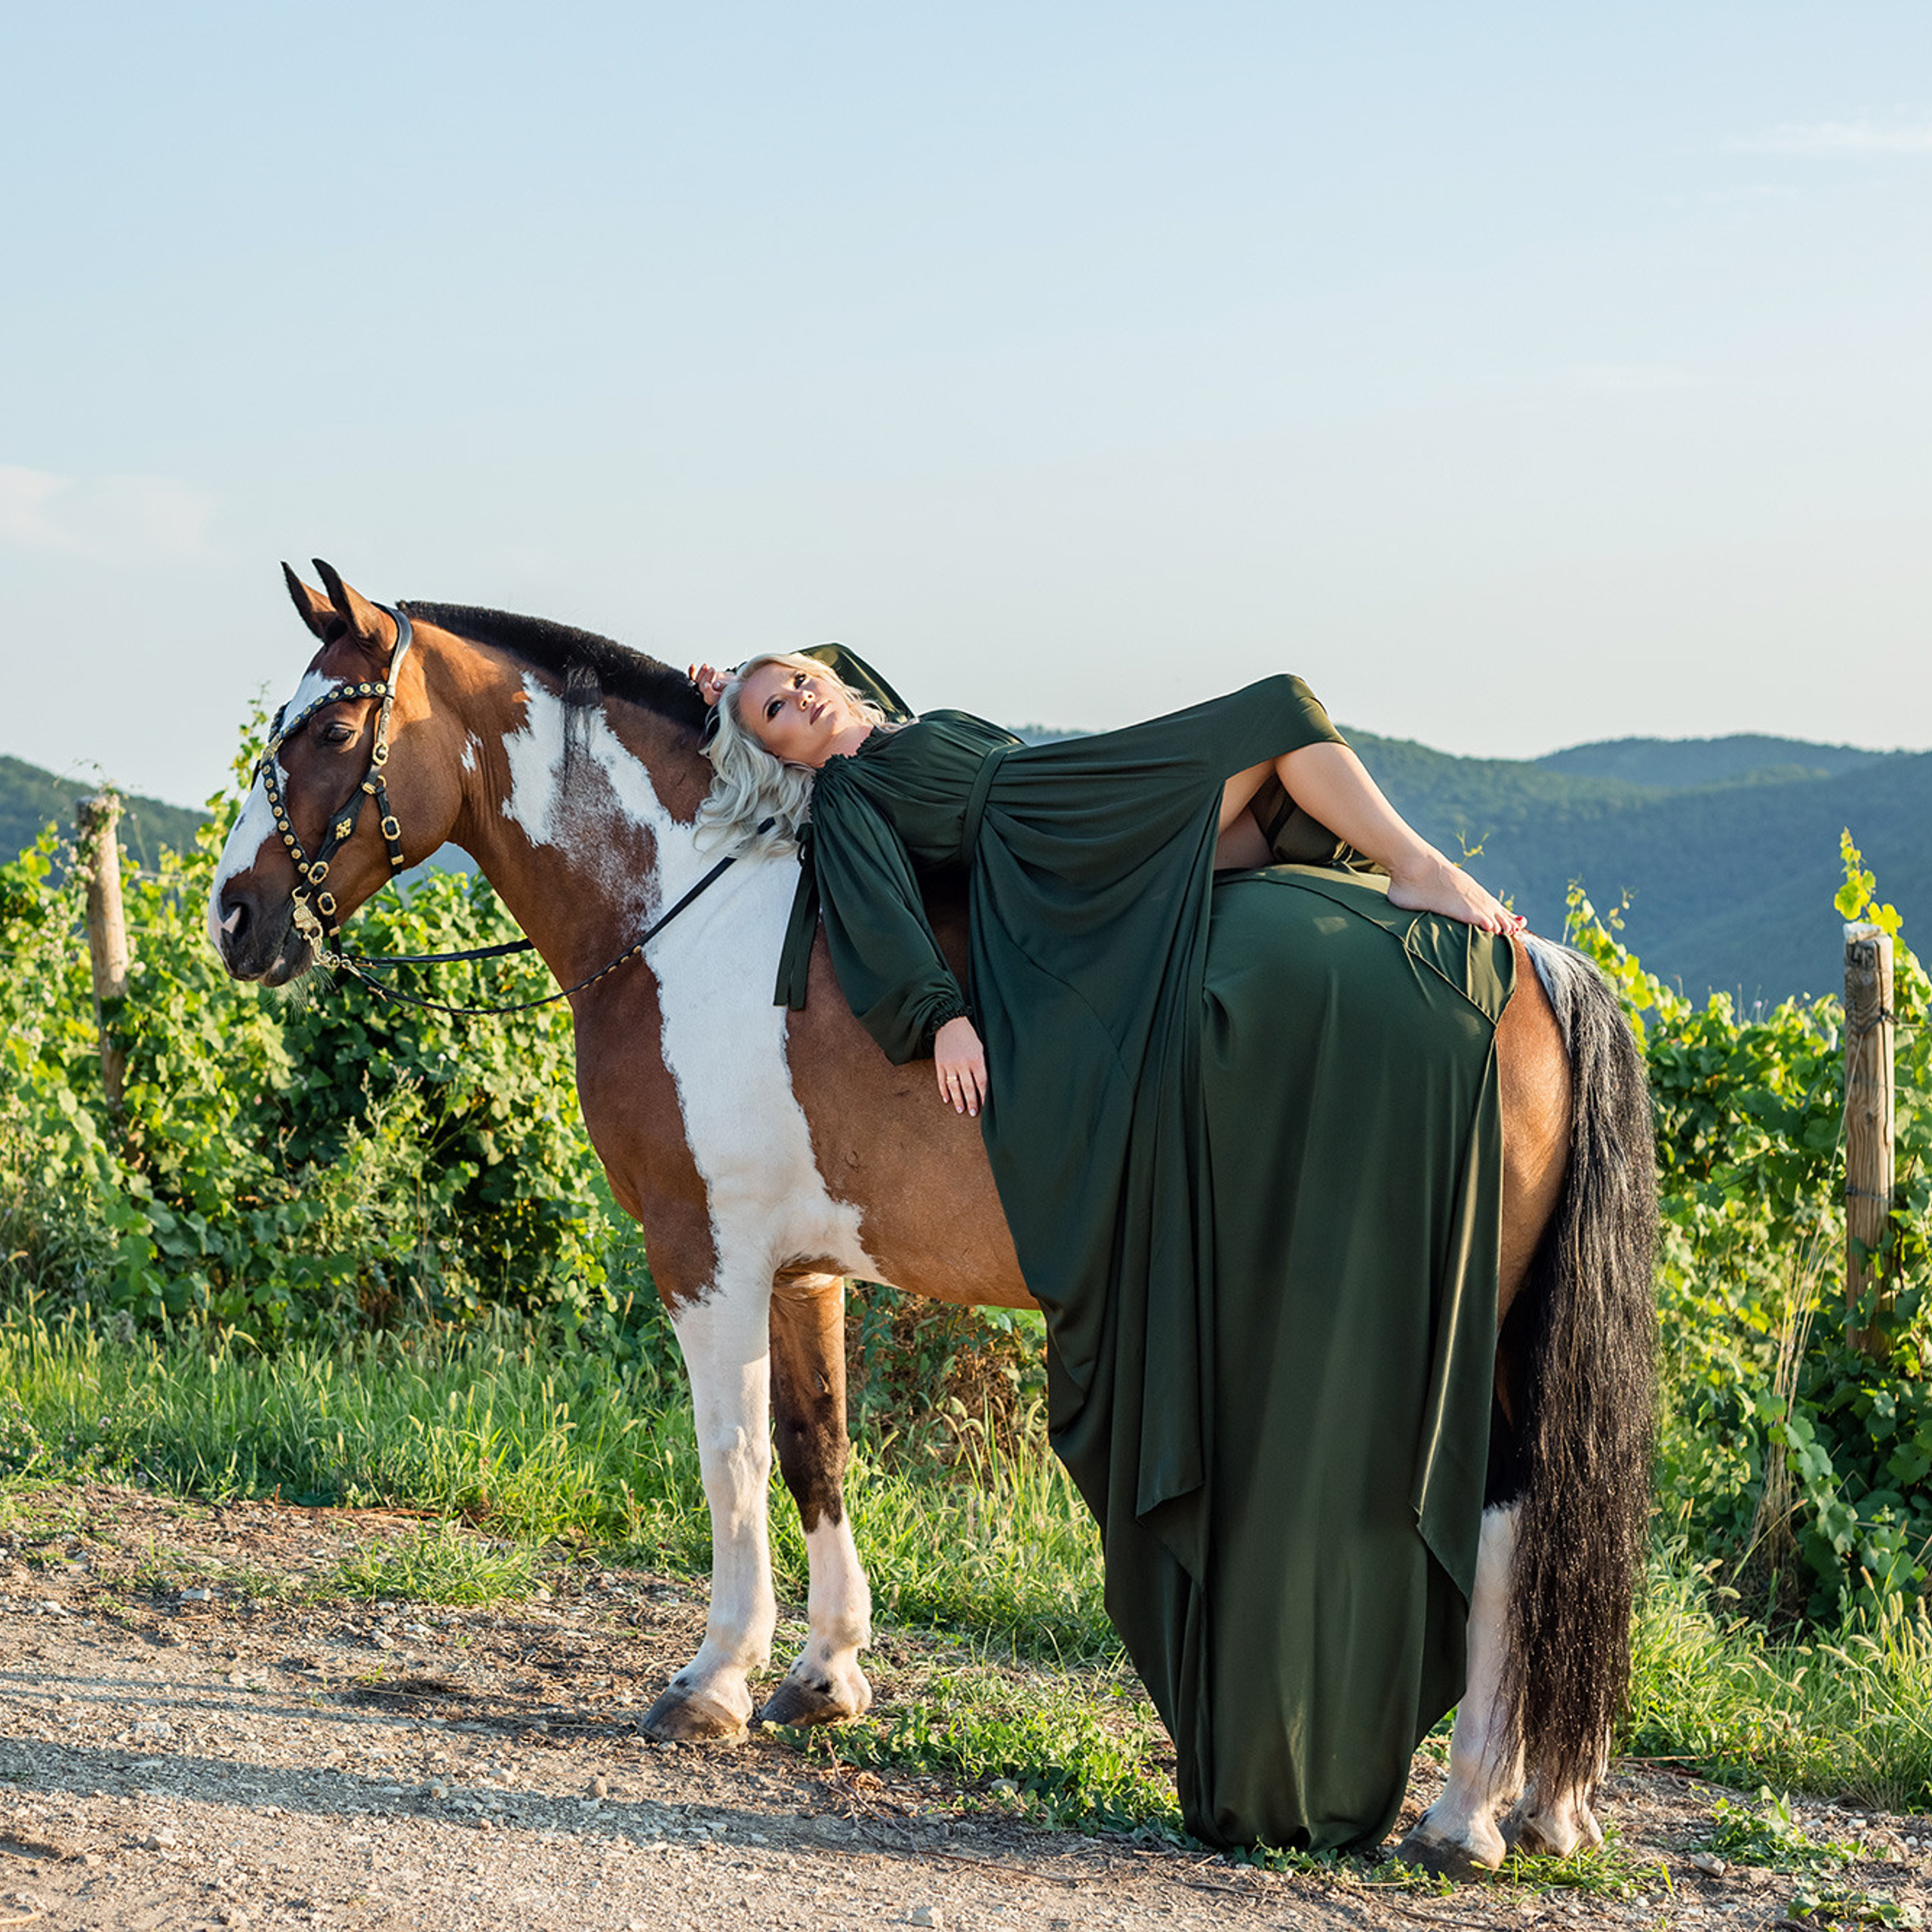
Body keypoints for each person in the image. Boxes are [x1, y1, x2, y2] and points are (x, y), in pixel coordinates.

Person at [689, 647, 1521, 1854]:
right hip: (1049, 855)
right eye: (777, 711)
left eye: (805, 677)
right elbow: (873, 926)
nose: (804, 696)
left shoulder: (890, 721)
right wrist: (948, 1022)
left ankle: (1387, 866)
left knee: (1269, 765)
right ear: (778, 755)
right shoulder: (851, 805)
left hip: (1063, 793)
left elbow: (829, 673)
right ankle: (1417, 867)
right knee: (1275, 709)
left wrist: (731, 676)